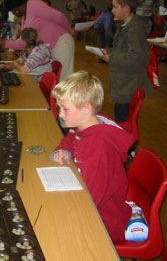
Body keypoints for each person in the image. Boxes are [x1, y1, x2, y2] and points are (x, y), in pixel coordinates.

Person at [50, 70, 136, 242]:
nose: (60, 114)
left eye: (65, 109)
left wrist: (61, 207)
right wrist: (64, 151)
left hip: (103, 220)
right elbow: (71, 138)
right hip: (91, 204)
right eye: (60, 108)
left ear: (86, 108)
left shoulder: (99, 148)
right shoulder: (86, 125)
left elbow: (90, 201)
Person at [100, 0, 153, 122]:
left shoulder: (134, 29)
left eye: (115, 7)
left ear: (127, 8)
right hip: (124, 81)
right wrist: (109, 52)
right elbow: (122, 49)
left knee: (124, 120)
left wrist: (111, 57)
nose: (112, 10)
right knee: (121, 116)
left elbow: (136, 57)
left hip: (130, 83)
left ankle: (127, 143)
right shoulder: (125, 25)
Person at [0, 0, 74, 81]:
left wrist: (70, 31)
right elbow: (23, 43)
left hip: (61, 42)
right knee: (54, 80)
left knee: (64, 80)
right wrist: (3, 42)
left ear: (18, 6)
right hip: (49, 48)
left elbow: (59, 16)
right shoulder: (24, 19)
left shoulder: (33, 4)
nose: (14, 13)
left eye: (14, 10)